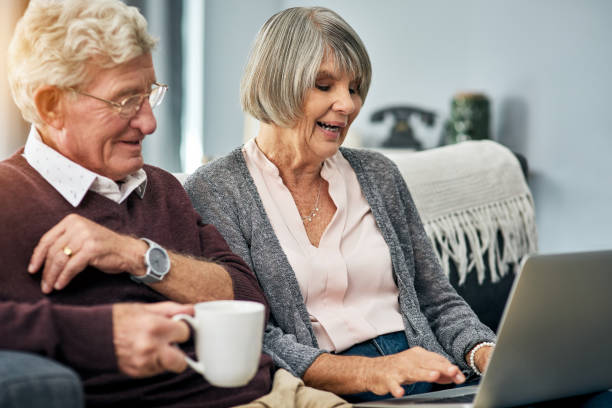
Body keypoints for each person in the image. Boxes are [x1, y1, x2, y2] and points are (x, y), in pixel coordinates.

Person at [185, 7, 495, 403]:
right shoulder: (216, 190)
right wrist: (370, 371)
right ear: (276, 83)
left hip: (427, 377)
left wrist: (487, 353)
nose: (347, 105)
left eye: (354, 88)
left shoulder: (379, 174)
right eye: (324, 85)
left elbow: (436, 300)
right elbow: (253, 336)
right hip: (328, 389)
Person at [0, 0, 271, 407]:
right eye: (126, 100)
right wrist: (101, 335)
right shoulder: (6, 195)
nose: (149, 123)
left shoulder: (161, 188)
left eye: (149, 95)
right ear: (50, 106)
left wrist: (136, 255)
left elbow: (249, 305)